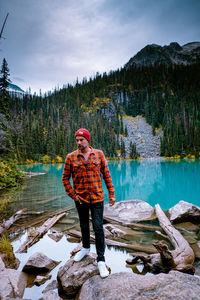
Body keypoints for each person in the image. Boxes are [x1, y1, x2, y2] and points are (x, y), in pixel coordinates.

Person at [62, 128, 115, 278]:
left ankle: (101, 261)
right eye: (77, 140)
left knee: (98, 228)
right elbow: (65, 178)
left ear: (88, 140)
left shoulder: (99, 154)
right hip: (81, 199)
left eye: (81, 140)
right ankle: (85, 248)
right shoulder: (70, 157)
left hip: (97, 198)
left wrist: (111, 194)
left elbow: (106, 175)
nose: (79, 142)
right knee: (84, 224)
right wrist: (73, 195)